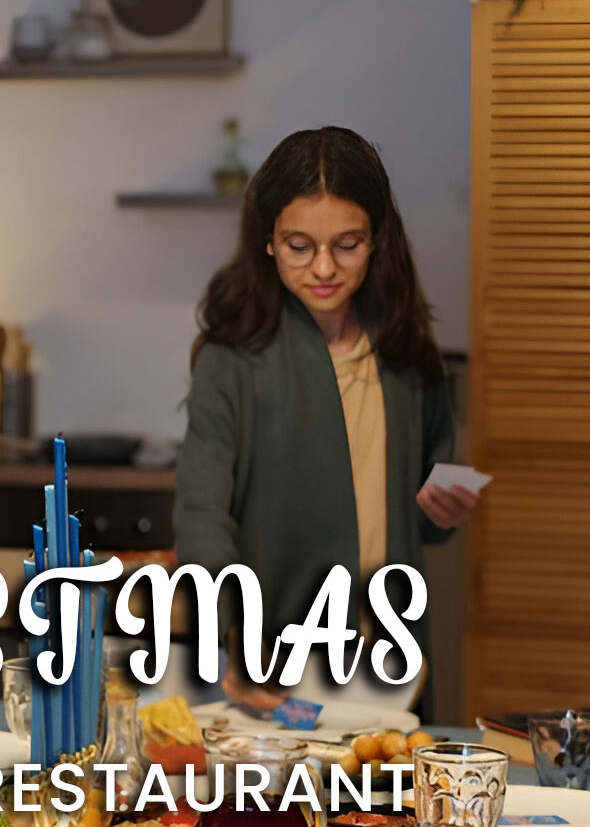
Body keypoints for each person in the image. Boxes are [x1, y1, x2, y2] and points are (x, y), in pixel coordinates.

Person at [173, 127, 480, 710]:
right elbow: (201, 514)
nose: (323, 268)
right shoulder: (234, 360)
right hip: (280, 668)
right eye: (298, 246)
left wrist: (447, 506)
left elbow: (427, 514)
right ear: (267, 241)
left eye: (347, 244)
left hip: (390, 661)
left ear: (378, 240)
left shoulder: (406, 355)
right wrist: (230, 630)